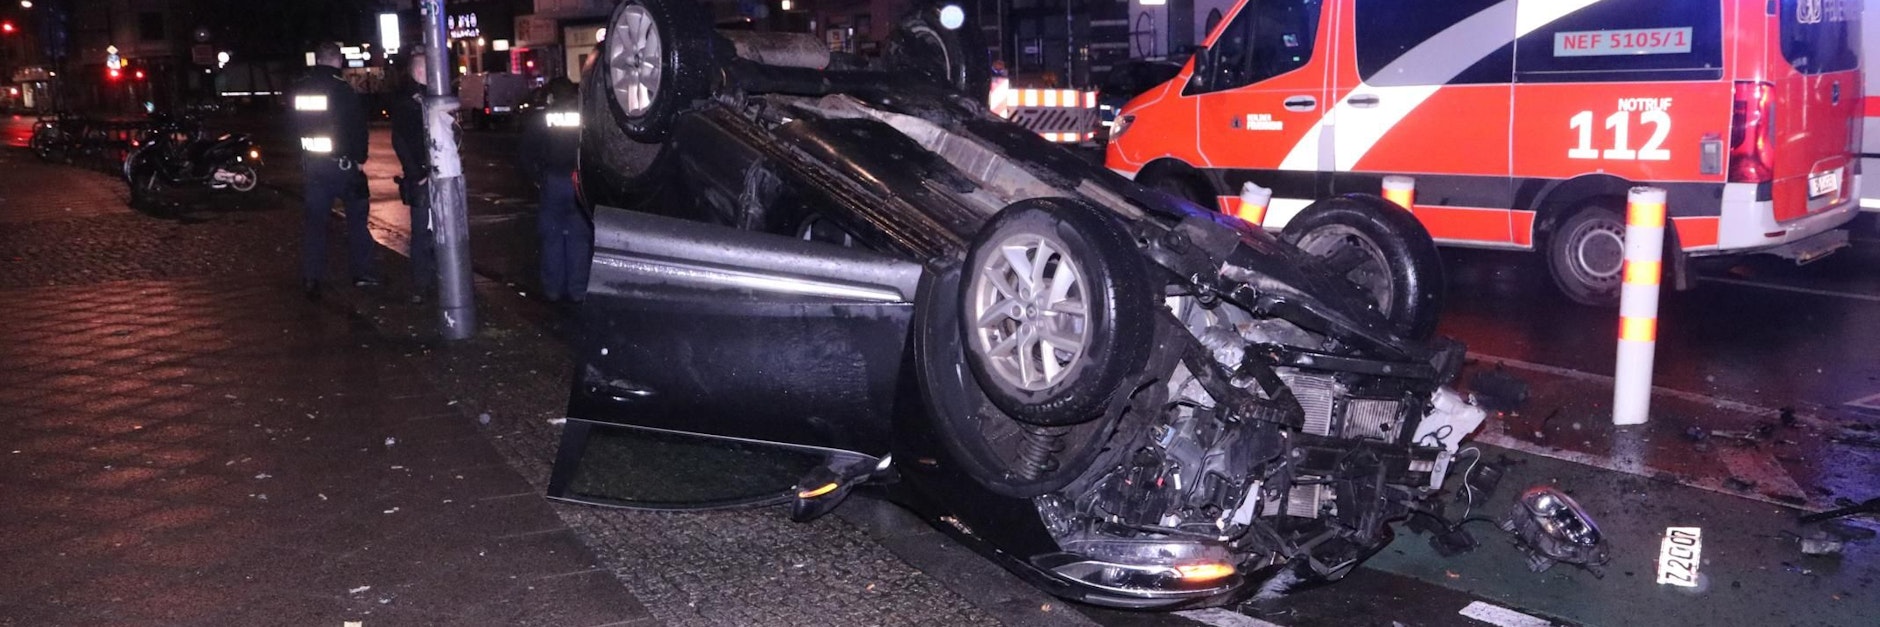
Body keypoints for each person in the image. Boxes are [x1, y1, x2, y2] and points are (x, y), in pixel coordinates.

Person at [291, 41, 374, 299]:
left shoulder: (300, 88)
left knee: (315, 224)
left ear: (317, 60)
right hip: (343, 167)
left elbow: (293, 126)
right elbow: (357, 127)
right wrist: (359, 159)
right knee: (357, 221)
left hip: (314, 166)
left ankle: (311, 278)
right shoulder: (342, 90)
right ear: (337, 60)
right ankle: (362, 274)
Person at [519, 78, 588, 304]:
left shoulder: (543, 117)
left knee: (552, 238)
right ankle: (578, 290)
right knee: (579, 238)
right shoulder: (584, 115)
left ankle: (553, 289)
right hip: (579, 182)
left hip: (553, 181)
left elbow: (527, 150)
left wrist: (537, 179)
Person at [390, 47, 436, 304]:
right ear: (419, 71)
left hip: (430, 175)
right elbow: (400, 140)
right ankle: (422, 282)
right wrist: (416, 173)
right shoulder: (409, 101)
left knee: (430, 230)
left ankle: (429, 280)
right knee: (422, 231)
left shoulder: (420, 97)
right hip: (423, 178)